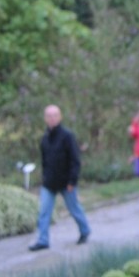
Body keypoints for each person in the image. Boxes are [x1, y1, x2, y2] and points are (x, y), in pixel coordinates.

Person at [28, 105, 91, 251]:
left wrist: (72, 181)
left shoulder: (67, 136)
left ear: (60, 117)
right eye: (49, 116)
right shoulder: (44, 139)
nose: (52, 118)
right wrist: (44, 178)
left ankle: (85, 231)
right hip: (49, 183)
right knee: (44, 212)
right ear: (45, 118)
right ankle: (43, 240)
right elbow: (44, 161)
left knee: (74, 208)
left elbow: (75, 160)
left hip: (66, 182)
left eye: (55, 115)